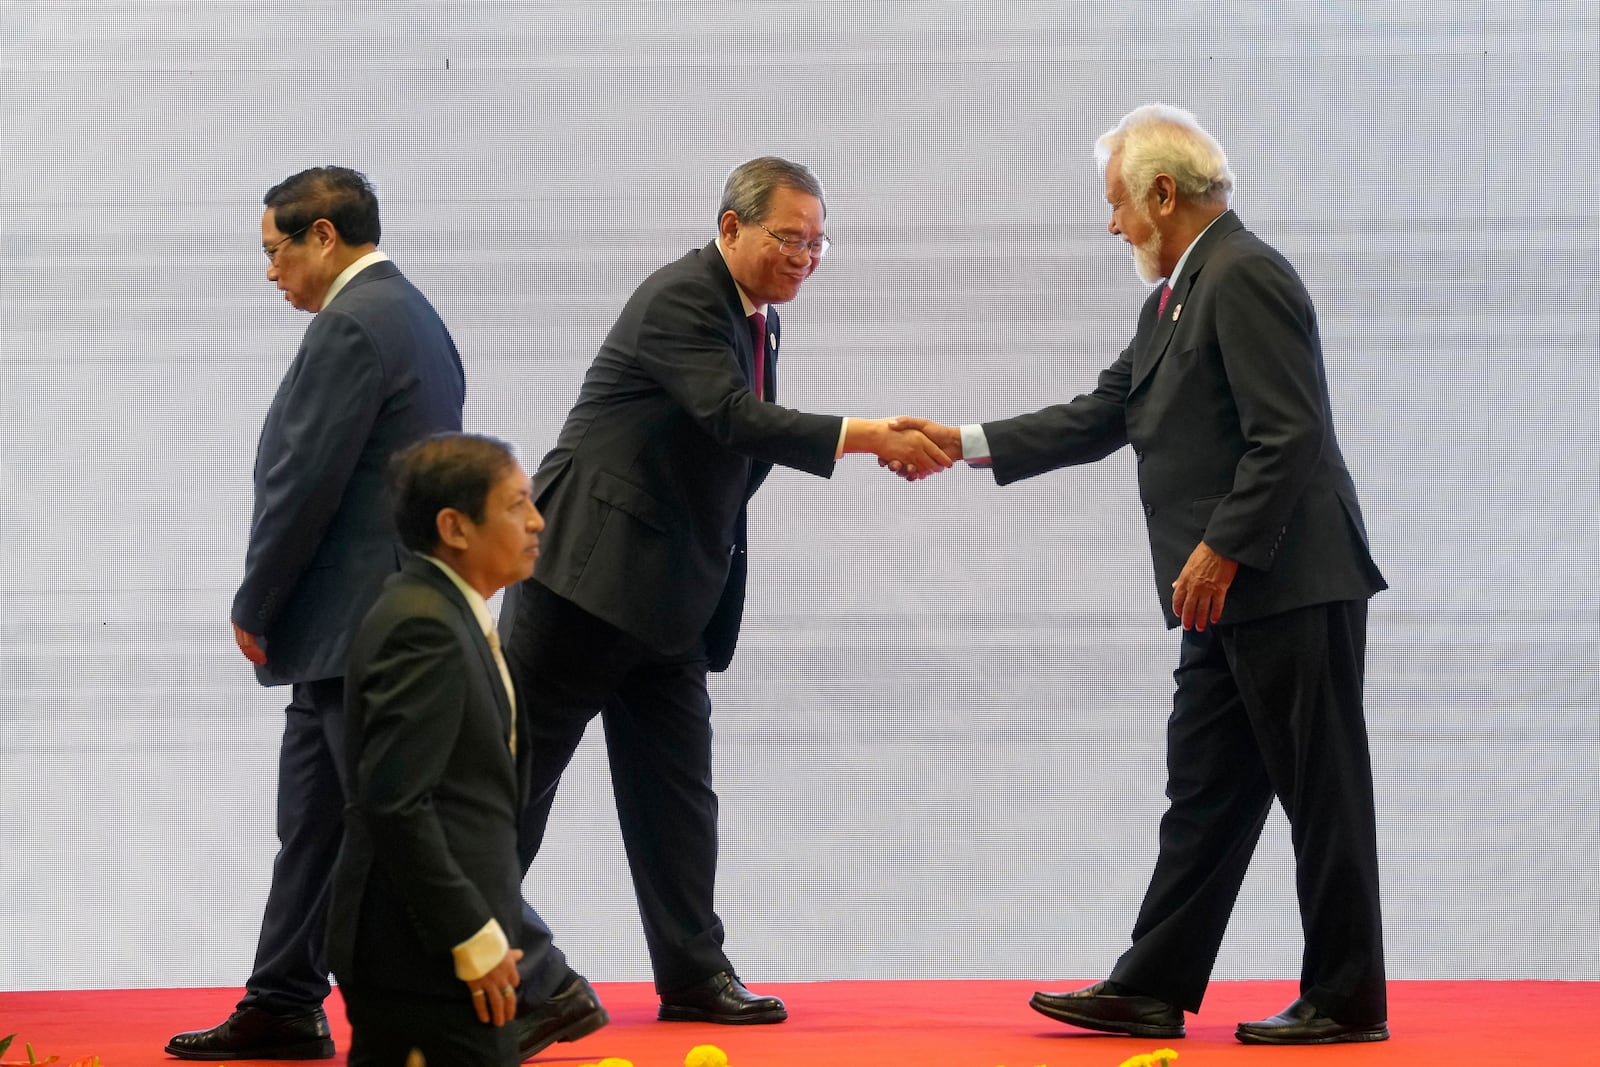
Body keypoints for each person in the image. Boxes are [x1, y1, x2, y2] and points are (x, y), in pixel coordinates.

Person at [893, 104, 1390, 1046]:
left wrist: (1223, 545)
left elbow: (1291, 435)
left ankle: (1347, 997)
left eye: (1117, 203)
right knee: (1203, 791)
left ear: (1164, 193)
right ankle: (1150, 984)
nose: (1113, 223)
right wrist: (956, 442)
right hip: (1221, 596)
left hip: (1284, 579)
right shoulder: (1172, 299)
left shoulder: (1246, 274)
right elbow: (1098, 412)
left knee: (1322, 792)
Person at [497, 156, 952, 1039]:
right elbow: (732, 420)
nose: (805, 255)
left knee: (678, 795)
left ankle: (695, 974)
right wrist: (866, 436)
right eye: (790, 237)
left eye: (819, 242)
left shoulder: (758, 318)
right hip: (585, 585)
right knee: (512, 790)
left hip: (669, 598)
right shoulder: (680, 296)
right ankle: (468, 963)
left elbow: (727, 461)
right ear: (731, 225)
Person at [168, 167, 467, 1059]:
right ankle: (284, 996)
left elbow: (304, 484)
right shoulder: (416, 314)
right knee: (315, 821)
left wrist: (257, 601)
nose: (272, 273)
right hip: (371, 624)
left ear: (324, 237)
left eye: (275, 251)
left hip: (353, 628)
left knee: (383, 826)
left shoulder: (351, 324)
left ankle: (503, 992)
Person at [326, 433, 545, 1065]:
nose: (537, 521)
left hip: (439, 946)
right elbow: (395, 804)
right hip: (421, 954)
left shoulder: (449, 613)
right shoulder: (423, 626)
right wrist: (471, 939)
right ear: (454, 527)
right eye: (516, 505)